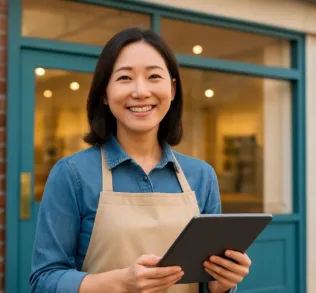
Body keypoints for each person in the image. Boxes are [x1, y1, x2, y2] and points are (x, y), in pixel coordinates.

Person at [29, 28, 252, 293]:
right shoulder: (72, 175)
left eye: (154, 76)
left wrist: (222, 283)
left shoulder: (202, 176)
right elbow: (43, 281)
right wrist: (120, 283)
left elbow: (206, 284)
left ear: (172, 89)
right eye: (124, 78)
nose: (141, 91)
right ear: (104, 92)